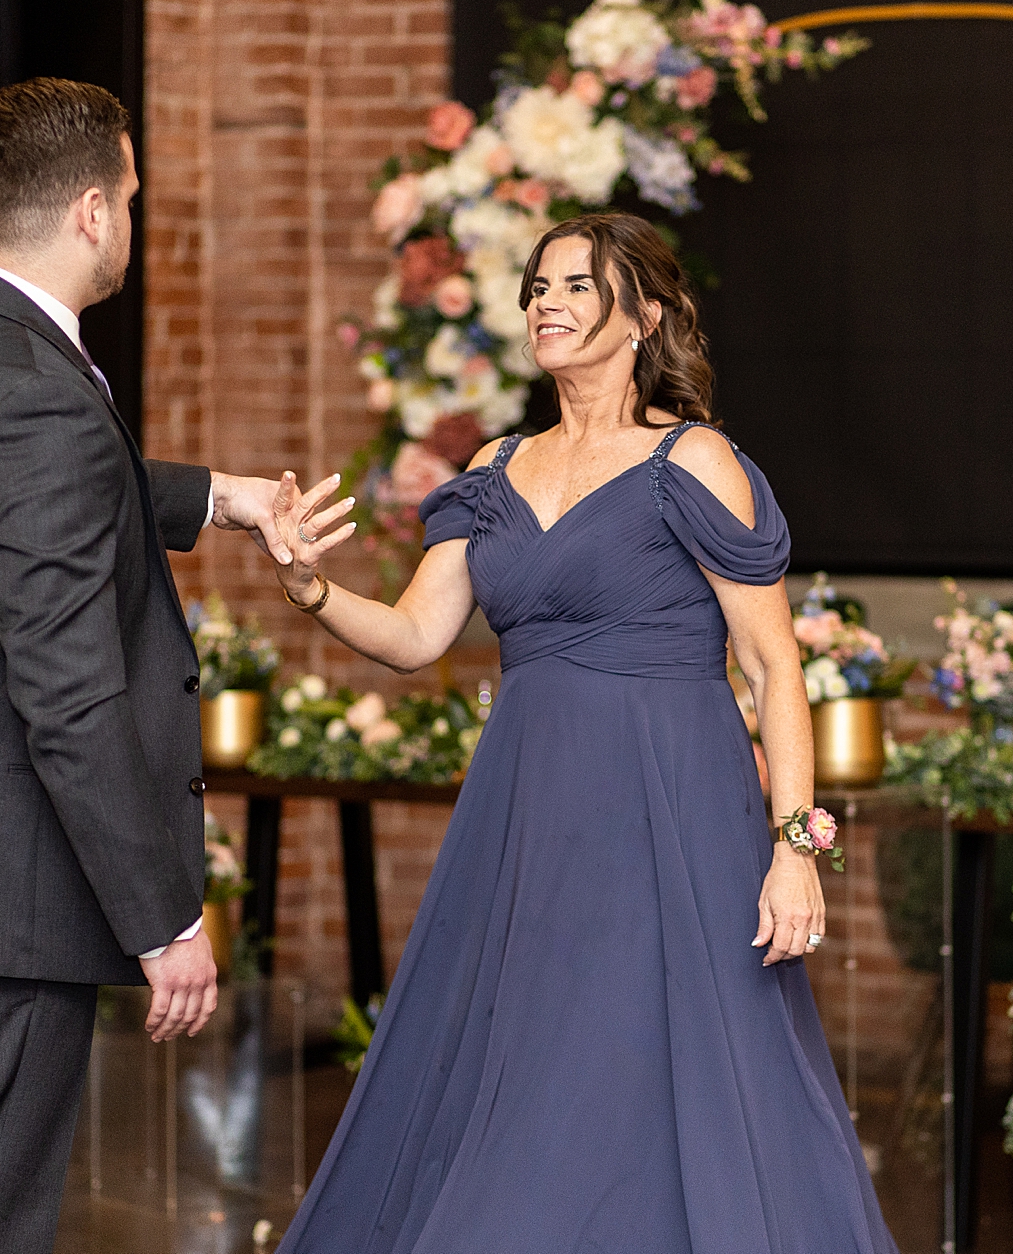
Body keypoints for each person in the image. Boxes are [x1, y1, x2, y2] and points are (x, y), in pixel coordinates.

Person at [267, 212, 898, 1252]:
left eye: (574, 285)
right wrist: (308, 587)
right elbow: (416, 635)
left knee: (656, 1072)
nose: (545, 304)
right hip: (527, 814)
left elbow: (774, 664)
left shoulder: (693, 460)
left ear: (642, 316)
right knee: (525, 1066)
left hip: (671, 811)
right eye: (536, 288)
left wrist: (795, 849)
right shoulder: (495, 467)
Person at [0, 78, 299, 1254]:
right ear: (90, 212)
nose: (132, 216)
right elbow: (70, 701)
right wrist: (163, 919)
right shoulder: (39, 401)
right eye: (129, 196)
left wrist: (213, 497)